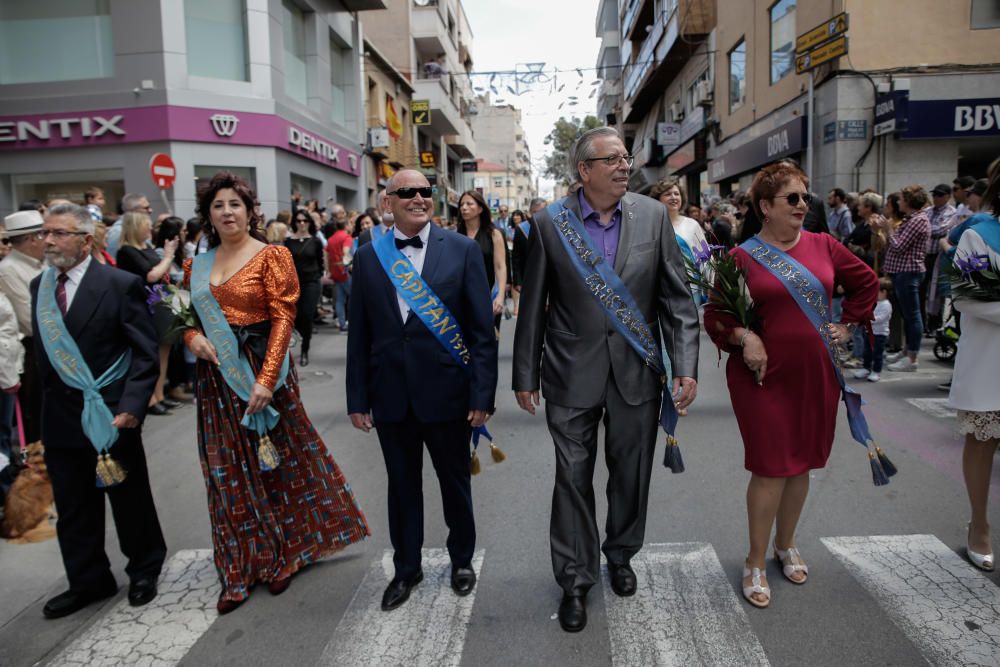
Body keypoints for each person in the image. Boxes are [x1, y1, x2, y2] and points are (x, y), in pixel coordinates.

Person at [512, 127, 700, 632]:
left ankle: (620, 554)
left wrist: (685, 365)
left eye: (626, 157)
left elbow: (677, 301)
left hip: (636, 372)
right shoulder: (550, 224)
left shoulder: (655, 217)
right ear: (584, 171)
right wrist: (524, 374)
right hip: (570, 373)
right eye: (612, 159)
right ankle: (574, 580)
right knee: (571, 479)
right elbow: (532, 306)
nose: (624, 166)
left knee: (631, 476)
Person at [183, 172, 368, 614]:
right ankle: (239, 566)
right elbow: (186, 319)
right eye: (218, 206)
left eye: (235, 204)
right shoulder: (197, 266)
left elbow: (284, 320)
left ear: (250, 211)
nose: (227, 212)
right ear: (208, 215)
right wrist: (193, 341)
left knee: (276, 467)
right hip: (217, 381)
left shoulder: (273, 255)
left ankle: (282, 554)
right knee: (225, 471)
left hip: (266, 372)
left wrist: (267, 380)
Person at [703, 162, 878, 609]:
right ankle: (756, 559)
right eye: (793, 199)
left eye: (806, 198)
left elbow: (866, 283)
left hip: (815, 372)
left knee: (800, 464)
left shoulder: (824, 245)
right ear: (765, 207)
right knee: (770, 465)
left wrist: (849, 323)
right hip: (761, 377)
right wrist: (746, 337)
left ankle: (786, 543)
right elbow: (716, 315)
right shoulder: (740, 258)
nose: (803, 205)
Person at [346, 169, 498, 612]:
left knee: (455, 485)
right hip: (390, 394)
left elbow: (481, 333)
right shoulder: (369, 256)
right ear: (387, 202)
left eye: (424, 192)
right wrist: (357, 399)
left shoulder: (464, 250)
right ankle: (406, 568)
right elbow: (360, 334)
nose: (418, 198)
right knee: (402, 488)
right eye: (406, 192)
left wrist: (481, 395)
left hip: (448, 393)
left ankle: (461, 561)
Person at [31, 202, 166, 618]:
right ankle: (88, 580)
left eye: (59, 233)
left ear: (85, 241)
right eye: (46, 232)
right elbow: (42, 359)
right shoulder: (39, 287)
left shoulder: (119, 283)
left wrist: (132, 407)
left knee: (129, 499)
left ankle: (144, 569)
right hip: (60, 416)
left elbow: (144, 354)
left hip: (111, 414)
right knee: (73, 507)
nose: (48, 240)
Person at [948, 157, 1000, 572]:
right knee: (983, 442)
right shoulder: (978, 236)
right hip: (990, 359)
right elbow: (965, 298)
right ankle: (979, 523)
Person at [115, 211, 180, 415]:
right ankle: (149, 398)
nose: (150, 229)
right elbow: (151, 276)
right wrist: (168, 256)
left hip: (159, 303)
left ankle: (159, 394)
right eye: (145, 225)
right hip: (142, 305)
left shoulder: (147, 248)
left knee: (163, 353)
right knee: (149, 353)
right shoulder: (126, 251)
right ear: (136, 227)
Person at [0, 210, 47, 444]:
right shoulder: (9, 269)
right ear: (32, 239)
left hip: (51, 342)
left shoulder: (42, 263)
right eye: (44, 234)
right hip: (34, 349)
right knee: (36, 414)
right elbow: (30, 319)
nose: (49, 240)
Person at [875, 185, 932, 372]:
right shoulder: (912, 219)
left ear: (908, 201)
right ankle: (907, 352)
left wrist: (888, 229)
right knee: (908, 316)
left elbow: (898, 247)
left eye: (901, 199)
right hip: (902, 273)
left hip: (909, 273)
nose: (898, 202)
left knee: (912, 316)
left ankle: (912, 357)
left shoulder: (918, 220)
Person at [457, 191, 507, 332]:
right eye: (461, 204)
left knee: (488, 342)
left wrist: (501, 295)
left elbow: (500, 266)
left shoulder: (494, 233)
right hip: (462, 298)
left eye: (469, 204)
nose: (464, 208)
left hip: (488, 296)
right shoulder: (455, 235)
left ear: (480, 209)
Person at [284, 211, 324, 366]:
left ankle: (305, 349)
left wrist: (319, 275)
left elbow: (320, 261)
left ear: (309, 222)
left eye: (305, 220)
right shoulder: (288, 241)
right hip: (293, 284)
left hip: (311, 283)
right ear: (294, 222)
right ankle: (300, 336)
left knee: (307, 315)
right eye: (298, 220)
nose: (301, 223)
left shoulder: (315, 241)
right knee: (295, 316)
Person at [853, 277, 893, 382]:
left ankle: (876, 371)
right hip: (869, 332)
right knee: (867, 352)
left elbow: (879, 319)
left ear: (884, 292)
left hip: (880, 334)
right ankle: (866, 368)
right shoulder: (874, 302)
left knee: (877, 353)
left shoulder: (886, 305)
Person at [326, 215, 354, 332]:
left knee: (339, 300)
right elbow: (345, 251)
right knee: (354, 297)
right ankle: (355, 323)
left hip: (335, 271)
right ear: (346, 225)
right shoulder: (347, 237)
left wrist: (329, 270)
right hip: (345, 271)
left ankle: (342, 324)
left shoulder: (331, 239)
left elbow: (326, 255)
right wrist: (349, 265)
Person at [105, 193, 152, 259]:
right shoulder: (119, 231)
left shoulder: (139, 228)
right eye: (146, 208)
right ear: (132, 210)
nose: (150, 210)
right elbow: (113, 260)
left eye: (149, 207)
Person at [509, 209, 530, 316]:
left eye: (518, 215)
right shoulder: (515, 229)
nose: (515, 217)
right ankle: (516, 305)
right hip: (513, 257)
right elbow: (516, 255)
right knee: (515, 282)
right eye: (514, 216)